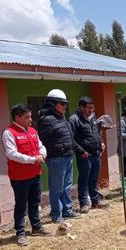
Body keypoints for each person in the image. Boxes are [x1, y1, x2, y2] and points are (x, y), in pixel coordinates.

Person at [2, 104, 51, 247]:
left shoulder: (32, 130)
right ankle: (20, 232)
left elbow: (41, 146)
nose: (30, 119)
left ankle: (36, 227)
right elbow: (11, 154)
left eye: (30, 116)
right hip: (19, 176)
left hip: (35, 173)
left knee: (35, 201)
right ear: (17, 117)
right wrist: (32, 159)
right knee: (21, 205)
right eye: (27, 117)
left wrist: (42, 154)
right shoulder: (9, 133)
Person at [38, 89, 83, 223]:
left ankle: (67, 210)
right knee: (56, 188)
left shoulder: (61, 119)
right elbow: (43, 141)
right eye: (62, 104)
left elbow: (69, 137)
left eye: (65, 104)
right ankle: (56, 214)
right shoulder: (46, 120)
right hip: (56, 158)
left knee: (66, 186)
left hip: (68, 156)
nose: (65, 107)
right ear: (52, 104)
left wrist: (78, 150)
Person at [69, 97, 107, 213]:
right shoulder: (74, 119)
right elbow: (71, 138)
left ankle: (95, 201)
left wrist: (101, 142)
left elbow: (96, 132)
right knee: (84, 179)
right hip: (84, 155)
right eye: (89, 108)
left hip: (96, 153)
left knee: (94, 178)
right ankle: (84, 203)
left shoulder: (93, 118)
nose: (91, 110)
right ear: (81, 107)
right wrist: (81, 151)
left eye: (92, 108)